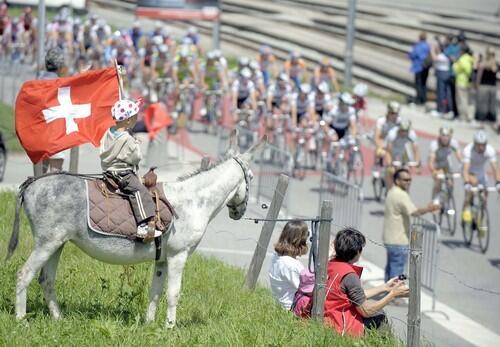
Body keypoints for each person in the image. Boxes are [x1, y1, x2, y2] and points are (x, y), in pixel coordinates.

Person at [324, 227, 410, 337]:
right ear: (357, 251)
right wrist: (393, 295)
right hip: (339, 325)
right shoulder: (349, 276)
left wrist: (385, 287)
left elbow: (353, 295)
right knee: (380, 316)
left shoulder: (331, 264)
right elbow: (366, 310)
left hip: (327, 317)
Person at [100, 99, 162, 242]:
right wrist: (135, 145)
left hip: (109, 171)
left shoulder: (109, 132)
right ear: (128, 120)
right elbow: (136, 158)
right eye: (134, 117)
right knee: (140, 191)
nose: (137, 119)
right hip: (123, 174)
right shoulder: (127, 139)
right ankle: (143, 226)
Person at [383, 169, 440, 282]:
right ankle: (394, 296)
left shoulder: (392, 191)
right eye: (405, 180)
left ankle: (387, 293)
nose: (408, 182)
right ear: (397, 181)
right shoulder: (401, 195)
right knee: (397, 272)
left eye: (410, 180)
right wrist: (429, 208)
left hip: (390, 238)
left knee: (390, 268)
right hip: (398, 240)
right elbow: (414, 212)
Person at [40, 47, 68, 173]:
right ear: (61, 66)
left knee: (40, 171)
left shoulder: (36, 82)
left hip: (39, 131)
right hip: (56, 131)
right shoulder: (62, 84)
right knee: (55, 173)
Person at [269, 221, 309, 310]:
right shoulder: (291, 265)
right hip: (291, 307)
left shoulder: (276, 256)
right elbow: (307, 289)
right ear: (300, 240)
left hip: (280, 303)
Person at [462, 131, 500, 214]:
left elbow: (495, 168)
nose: (481, 147)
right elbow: (465, 169)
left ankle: (481, 214)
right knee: (471, 189)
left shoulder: (490, 150)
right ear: (474, 143)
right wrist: (466, 183)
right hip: (470, 171)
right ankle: (465, 213)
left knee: (485, 194)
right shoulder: (468, 150)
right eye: (479, 144)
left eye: (483, 145)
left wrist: (498, 182)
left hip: (481, 172)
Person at [428, 127, 462, 202]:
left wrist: (463, 167)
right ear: (440, 136)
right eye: (443, 136)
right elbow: (431, 162)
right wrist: (434, 171)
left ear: (450, 137)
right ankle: (435, 200)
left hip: (446, 163)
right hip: (437, 163)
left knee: (450, 184)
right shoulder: (434, 144)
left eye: (447, 137)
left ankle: (447, 203)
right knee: (438, 180)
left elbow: (460, 157)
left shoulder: (453, 142)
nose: (445, 139)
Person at [474, 47, 498, 124]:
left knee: (483, 104)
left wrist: (476, 84)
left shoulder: (484, 63)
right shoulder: (494, 63)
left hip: (484, 85)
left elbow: (479, 74)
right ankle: (489, 119)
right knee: (490, 104)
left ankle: (483, 118)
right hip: (492, 86)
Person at [374, 101, 400, 167]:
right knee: (381, 153)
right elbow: (377, 137)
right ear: (388, 112)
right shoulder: (381, 121)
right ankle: (377, 167)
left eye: (396, 113)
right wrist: (380, 147)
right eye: (392, 113)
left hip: (394, 144)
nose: (394, 115)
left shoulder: (399, 121)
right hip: (383, 142)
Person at [452, 46, 474, 122]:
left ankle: (463, 116)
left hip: (461, 81)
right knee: (468, 100)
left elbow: (455, 70)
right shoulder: (471, 58)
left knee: (461, 100)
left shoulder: (462, 59)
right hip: (469, 82)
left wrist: (455, 63)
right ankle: (469, 116)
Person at [408, 32, 431, 105]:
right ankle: (423, 99)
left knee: (418, 84)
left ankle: (419, 99)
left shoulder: (418, 46)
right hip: (426, 67)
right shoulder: (427, 46)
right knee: (424, 83)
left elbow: (412, 55)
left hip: (418, 67)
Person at [431, 42, 452, 116]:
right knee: (447, 93)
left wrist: (432, 50)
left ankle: (441, 110)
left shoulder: (441, 56)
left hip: (441, 74)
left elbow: (434, 58)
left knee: (441, 93)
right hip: (447, 74)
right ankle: (448, 109)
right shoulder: (447, 56)